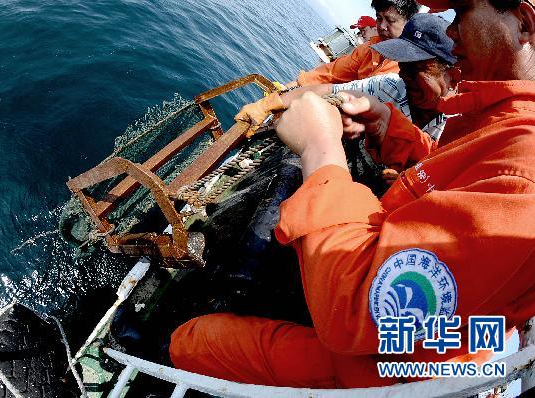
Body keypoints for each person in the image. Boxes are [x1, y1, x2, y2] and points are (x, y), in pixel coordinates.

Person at [169, 0, 535, 389]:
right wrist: (390, 127)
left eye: (462, 12)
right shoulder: (502, 123)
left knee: (191, 342)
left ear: (524, 24)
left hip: (385, 368)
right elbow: (456, 180)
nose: (451, 32)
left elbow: (357, 306)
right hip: (403, 334)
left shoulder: (525, 173)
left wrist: (319, 149)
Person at [236, 13, 458, 191]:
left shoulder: (462, 128)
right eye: (402, 65)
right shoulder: (390, 85)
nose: (404, 76)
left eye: (416, 69)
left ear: (453, 76)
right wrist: (269, 103)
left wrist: (415, 182)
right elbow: (329, 88)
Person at [287, 0, 420, 87]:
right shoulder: (368, 49)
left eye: (390, 21)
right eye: (379, 18)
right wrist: (293, 85)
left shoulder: (415, 67)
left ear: (409, 23)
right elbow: (332, 72)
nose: (382, 26)